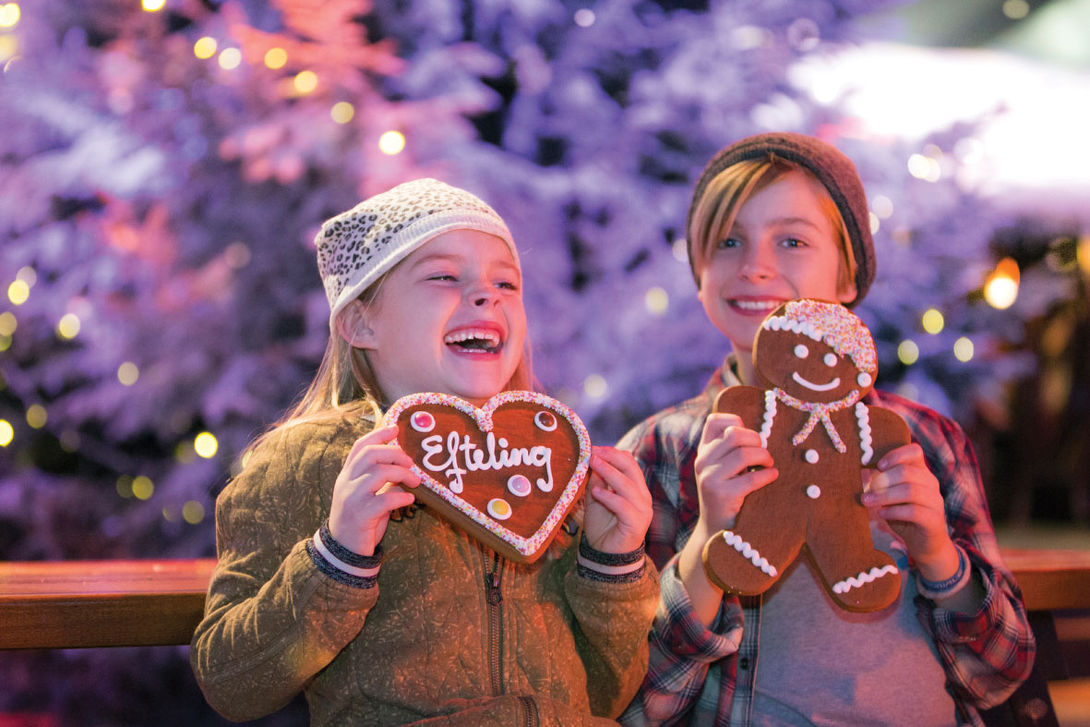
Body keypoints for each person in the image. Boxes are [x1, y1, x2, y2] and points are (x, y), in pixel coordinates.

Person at [190, 178, 659, 726]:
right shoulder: (306, 462)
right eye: (443, 276)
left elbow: (607, 695)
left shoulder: (551, 464)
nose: (486, 295)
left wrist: (612, 566)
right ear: (361, 321)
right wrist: (338, 556)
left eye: (506, 283)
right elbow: (232, 684)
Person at [617, 133, 1036, 726]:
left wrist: (939, 555)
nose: (755, 266)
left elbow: (1001, 674)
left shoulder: (923, 441)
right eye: (728, 241)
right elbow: (634, 704)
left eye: (792, 240)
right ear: (700, 271)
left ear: (848, 278)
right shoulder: (662, 450)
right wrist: (708, 541)